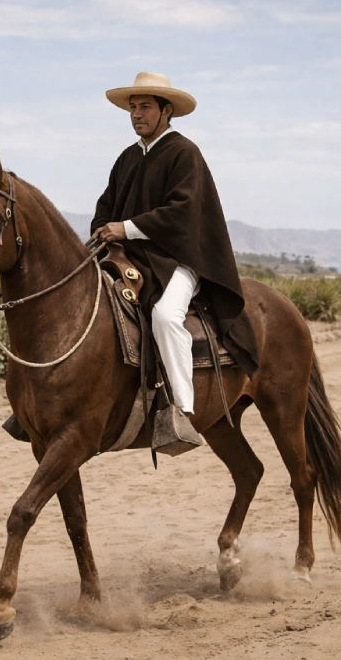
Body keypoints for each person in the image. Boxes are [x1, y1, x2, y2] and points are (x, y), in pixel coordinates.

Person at [90, 71, 258, 447]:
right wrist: (105, 232)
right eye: (132, 108)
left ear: (167, 111)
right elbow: (105, 210)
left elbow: (183, 214)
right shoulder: (128, 158)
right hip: (131, 258)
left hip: (182, 258)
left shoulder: (185, 153)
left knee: (165, 316)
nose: (137, 114)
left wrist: (126, 229)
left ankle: (181, 412)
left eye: (145, 107)